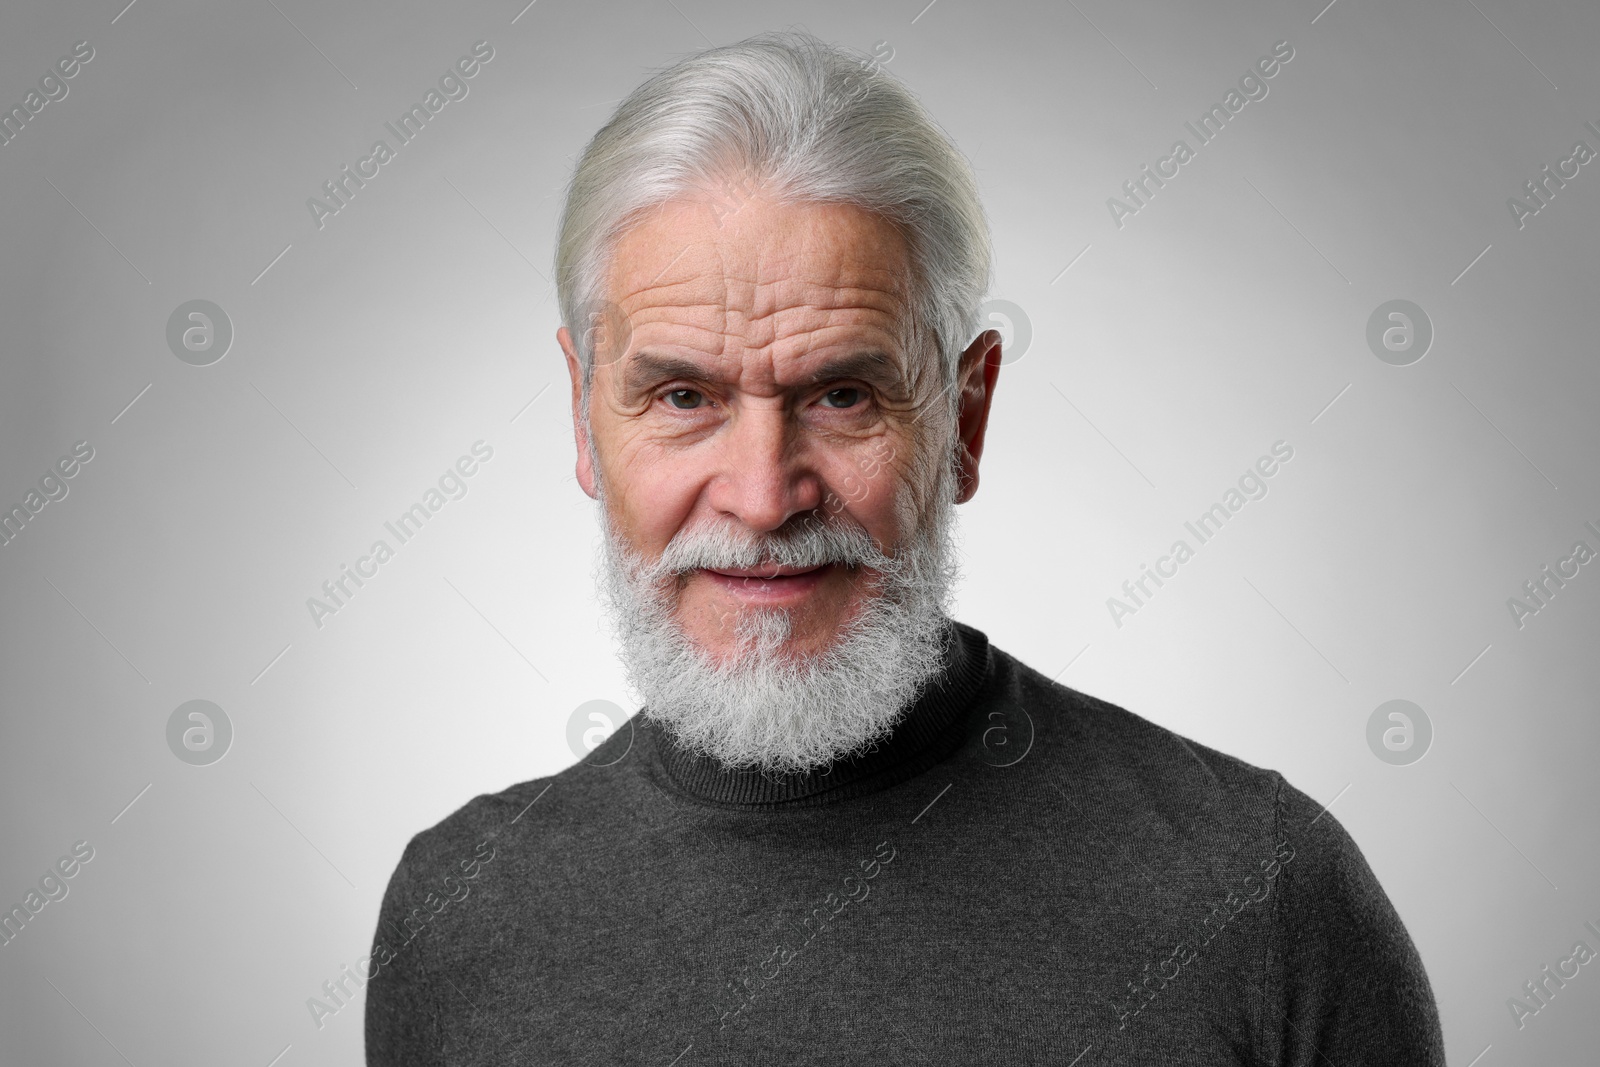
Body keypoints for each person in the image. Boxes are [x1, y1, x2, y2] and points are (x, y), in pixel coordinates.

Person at [365, 30, 1444, 1065]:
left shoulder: (1261, 896)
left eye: (843, 394)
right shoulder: (460, 913)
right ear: (582, 415)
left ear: (964, 417)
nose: (760, 495)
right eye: (682, 394)